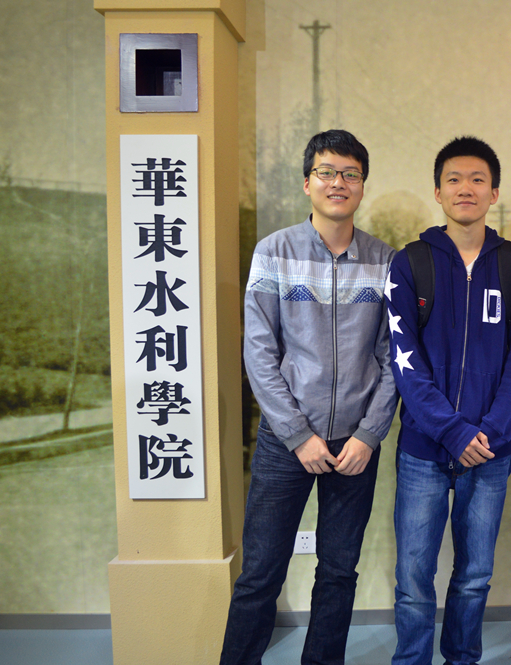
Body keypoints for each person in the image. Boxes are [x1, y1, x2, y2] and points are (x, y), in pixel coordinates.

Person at [220, 129, 397, 665]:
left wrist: (369, 435)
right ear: (307, 183)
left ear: (362, 185)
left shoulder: (385, 261)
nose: (338, 182)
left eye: (350, 174)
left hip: (355, 447)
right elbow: (259, 353)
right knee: (260, 573)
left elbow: (396, 358)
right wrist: (298, 435)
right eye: (326, 172)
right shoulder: (274, 252)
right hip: (285, 443)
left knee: (339, 571)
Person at [385, 136, 511, 665]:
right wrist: (452, 430)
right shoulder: (410, 263)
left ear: (494, 193)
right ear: (438, 192)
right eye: (453, 179)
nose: (465, 188)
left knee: (474, 576)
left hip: (490, 452)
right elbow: (404, 360)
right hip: (423, 451)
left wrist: (490, 432)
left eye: (478, 179)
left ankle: (461, 659)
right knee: (413, 579)